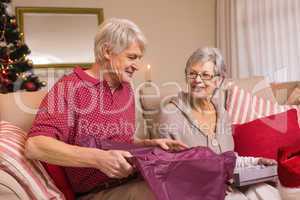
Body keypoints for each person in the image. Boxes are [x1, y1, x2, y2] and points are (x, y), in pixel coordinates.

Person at [25, 18, 187, 200]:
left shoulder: (125, 89)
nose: (137, 66)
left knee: (190, 177)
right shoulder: (69, 88)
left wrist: (147, 144)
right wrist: (99, 159)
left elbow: (118, 140)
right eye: (132, 57)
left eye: (139, 58)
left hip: (133, 178)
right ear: (107, 51)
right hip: (96, 192)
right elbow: (36, 145)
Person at [157, 47, 281, 200]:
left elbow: (226, 159)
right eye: (192, 74)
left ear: (219, 80)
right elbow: (166, 169)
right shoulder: (170, 114)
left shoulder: (222, 113)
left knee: (268, 191)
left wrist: (256, 162)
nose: (197, 80)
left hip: (227, 186)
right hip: (198, 192)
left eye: (205, 75)